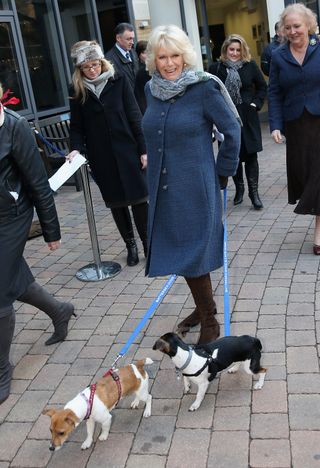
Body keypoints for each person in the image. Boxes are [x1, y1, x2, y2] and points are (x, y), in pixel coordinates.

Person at [142, 25, 241, 344]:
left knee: (193, 252)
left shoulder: (203, 88)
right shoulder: (150, 89)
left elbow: (232, 131)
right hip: (162, 187)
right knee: (182, 252)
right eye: (162, 57)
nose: (169, 63)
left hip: (196, 187)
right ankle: (204, 307)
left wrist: (222, 173)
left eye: (174, 56)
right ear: (153, 60)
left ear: (185, 56)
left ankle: (210, 322)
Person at [0, 83, 75, 405]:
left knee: (0, 292)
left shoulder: (13, 127)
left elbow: (38, 183)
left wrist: (51, 230)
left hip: (11, 216)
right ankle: (59, 310)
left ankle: (2, 368)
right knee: (12, 277)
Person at [69, 40, 148, 266]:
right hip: (101, 155)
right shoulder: (77, 90)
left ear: (102, 62)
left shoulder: (119, 80)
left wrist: (143, 149)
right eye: (87, 67)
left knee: (140, 200)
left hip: (128, 150)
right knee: (117, 203)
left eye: (95, 64)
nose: (92, 70)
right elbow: (77, 126)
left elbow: (135, 115)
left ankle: (147, 244)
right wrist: (75, 149)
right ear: (80, 69)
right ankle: (130, 245)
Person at [268, 4, 320, 255]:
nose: (293, 31)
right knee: (306, 173)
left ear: (308, 25)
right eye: (288, 27)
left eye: (297, 26)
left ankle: (319, 232)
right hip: (297, 125)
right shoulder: (278, 56)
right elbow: (275, 92)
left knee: (319, 173)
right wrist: (275, 125)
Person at [209, 34, 267, 210]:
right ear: (225, 49)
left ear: (243, 51)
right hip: (226, 118)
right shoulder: (216, 68)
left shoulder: (250, 66)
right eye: (231, 49)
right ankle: (239, 189)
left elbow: (262, 87)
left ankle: (254, 193)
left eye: (238, 50)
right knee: (232, 154)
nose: (234, 53)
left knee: (250, 155)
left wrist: (255, 104)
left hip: (247, 116)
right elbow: (209, 92)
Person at [105, 23, 139, 90]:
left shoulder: (133, 52)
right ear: (118, 38)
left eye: (132, 38)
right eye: (129, 39)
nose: (132, 42)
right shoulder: (108, 59)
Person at [134, 40, 151, 114]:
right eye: (144, 53)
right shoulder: (139, 71)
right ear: (139, 55)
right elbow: (140, 96)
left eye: (148, 52)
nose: (147, 55)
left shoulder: (152, 67)